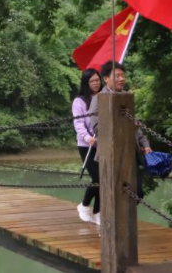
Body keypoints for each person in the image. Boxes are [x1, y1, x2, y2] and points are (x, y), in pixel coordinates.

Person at [87, 61, 152, 213]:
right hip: (110, 153)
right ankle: (109, 222)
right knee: (113, 191)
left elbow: (135, 126)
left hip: (131, 152)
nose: (121, 79)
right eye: (117, 76)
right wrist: (123, 126)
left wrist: (145, 143)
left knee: (137, 192)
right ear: (106, 79)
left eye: (123, 76)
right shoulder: (99, 98)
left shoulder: (126, 97)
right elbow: (96, 127)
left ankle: (121, 221)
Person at [73, 68, 101, 225]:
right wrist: (87, 137)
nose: (96, 83)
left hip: (102, 144)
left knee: (104, 178)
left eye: (98, 80)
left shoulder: (104, 97)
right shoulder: (80, 101)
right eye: (92, 81)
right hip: (87, 145)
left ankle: (98, 212)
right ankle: (84, 204)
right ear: (86, 83)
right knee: (98, 178)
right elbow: (78, 122)